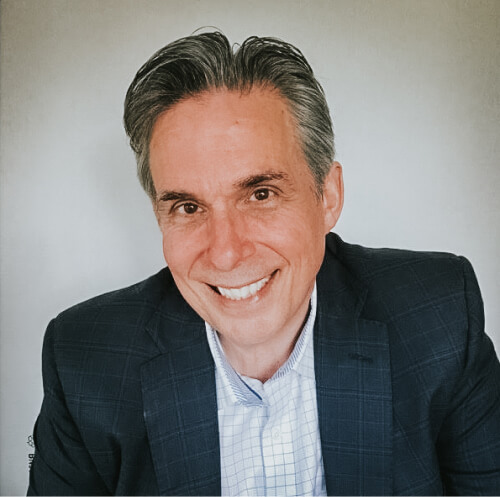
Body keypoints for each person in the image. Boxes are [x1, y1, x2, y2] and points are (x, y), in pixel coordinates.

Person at [28, 31, 500, 496]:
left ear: (328, 197)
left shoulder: (439, 319)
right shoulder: (84, 360)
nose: (226, 252)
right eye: (188, 208)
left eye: (261, 194)